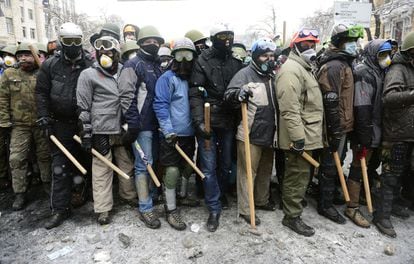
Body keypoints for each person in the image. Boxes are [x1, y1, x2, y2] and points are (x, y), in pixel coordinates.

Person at [36, 22, 93, 229]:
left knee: (88, 160)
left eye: (76, 41)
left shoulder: (89, 64)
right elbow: (41, 92)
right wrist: (44, 117)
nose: (72, 45)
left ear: (81, 41)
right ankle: (60, 209)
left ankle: (89, 197)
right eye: (67, 41)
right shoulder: (50, 65)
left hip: (84, 121)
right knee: (60, 167)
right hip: (60, 124)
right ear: (61, 42)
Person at [76, 36, 137, 225]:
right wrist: (85, 129)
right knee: (102, 168)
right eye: (100, 51)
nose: (104, 54)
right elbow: (83, 105)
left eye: (109, 51)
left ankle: (128, 195)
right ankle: (103, 208)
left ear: (116, 53)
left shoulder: (125, 71)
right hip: (100, 128)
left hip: (120, 127)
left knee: (125, 163)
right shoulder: (88, 74)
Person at [189, 24, 242, 231]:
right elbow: (195, 93)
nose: (227, 39)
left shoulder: (236, 62)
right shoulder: (202, 60)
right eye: (222, 36)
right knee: (208, 167)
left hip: (228, 120)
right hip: (209, 120)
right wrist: (200, 122)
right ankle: (213, 206)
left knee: (226, 163)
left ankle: (219, 194)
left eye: (230, 35)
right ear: (213, 38)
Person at [224, 38, 278, 225]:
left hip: (270, 132)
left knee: (265, 170)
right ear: (255, 56)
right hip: (250, 133)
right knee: (247, 172)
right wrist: (237, 95)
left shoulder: (273, 76)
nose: (268, 59)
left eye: (271, 56)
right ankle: (246, 209)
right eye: (264, 55)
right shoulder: (244, 74)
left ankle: (261, 200)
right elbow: (229, 95)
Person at [276, 28, 323, 237]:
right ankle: (291, 216)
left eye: (313, 44)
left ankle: (293, 209)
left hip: (309, 133)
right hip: (299, 136)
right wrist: (298, 138)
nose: (310, 48)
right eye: (305, 44)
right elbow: (289, 108)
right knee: (297, 176)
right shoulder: (291, 70)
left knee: (302, 176)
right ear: (295, 45)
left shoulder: (305, 67)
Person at [316, 24, 364, 224]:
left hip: (345, 124)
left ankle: (331, 193)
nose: (354, 45)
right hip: (335, 126)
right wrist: (334, 131)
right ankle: (324, 204)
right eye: (350, 42)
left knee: (338, 161)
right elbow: (331, 101)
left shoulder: (346, 63)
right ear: (339, 43)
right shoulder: (335, 66)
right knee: (329, 165)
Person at [119, 25, 164, 229]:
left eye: (156, 41)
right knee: (143, 165)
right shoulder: (132, 64)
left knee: (153, 163)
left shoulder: (157, 65)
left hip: (157, 124)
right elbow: (126, 96)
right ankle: (145, 208)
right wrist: (132, 123)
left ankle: (152, 196)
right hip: (142, 125)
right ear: (140, 43)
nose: (153, 44)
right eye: (148, 41)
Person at [346, 39, 392, 228]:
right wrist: (364, 137)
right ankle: (352, 206)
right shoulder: (364, 72)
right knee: (358, 167)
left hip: (377, 129)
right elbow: (362, 107)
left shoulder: (379, 70)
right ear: (373, 55)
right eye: (382, 54)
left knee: (369, 167)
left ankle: (363, 196)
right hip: (365, 130)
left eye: (388, 54)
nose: (386, 59)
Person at [153, 37, 197, 230]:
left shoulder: (195, 78)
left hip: (189, 133)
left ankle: (182, 195)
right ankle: (170, 209)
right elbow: (160, 105)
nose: (184, 60)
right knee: (172, 170)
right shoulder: (167, 79)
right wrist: (168, 130)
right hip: (171, 134)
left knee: (188, 166)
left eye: (188, 55)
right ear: (174, 57)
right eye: (180, 55)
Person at [0, 42, 51, 210]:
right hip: (19, 126)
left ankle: (48, 186)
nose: (23, 58)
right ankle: (20, 193)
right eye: (20, 55)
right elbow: (2, 99)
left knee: (44, 157)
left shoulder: (43, 73)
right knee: (16, 159)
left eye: (27, 55)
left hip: (41, 124)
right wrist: (4, 121)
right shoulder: (9, 74)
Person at [373, 31, 414, 238]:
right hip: (396, 134)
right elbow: (389, 98)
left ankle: (397, 204)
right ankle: (382, 216)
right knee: (390, 176)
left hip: (409, 133)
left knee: (405, 173)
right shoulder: (398, 69)